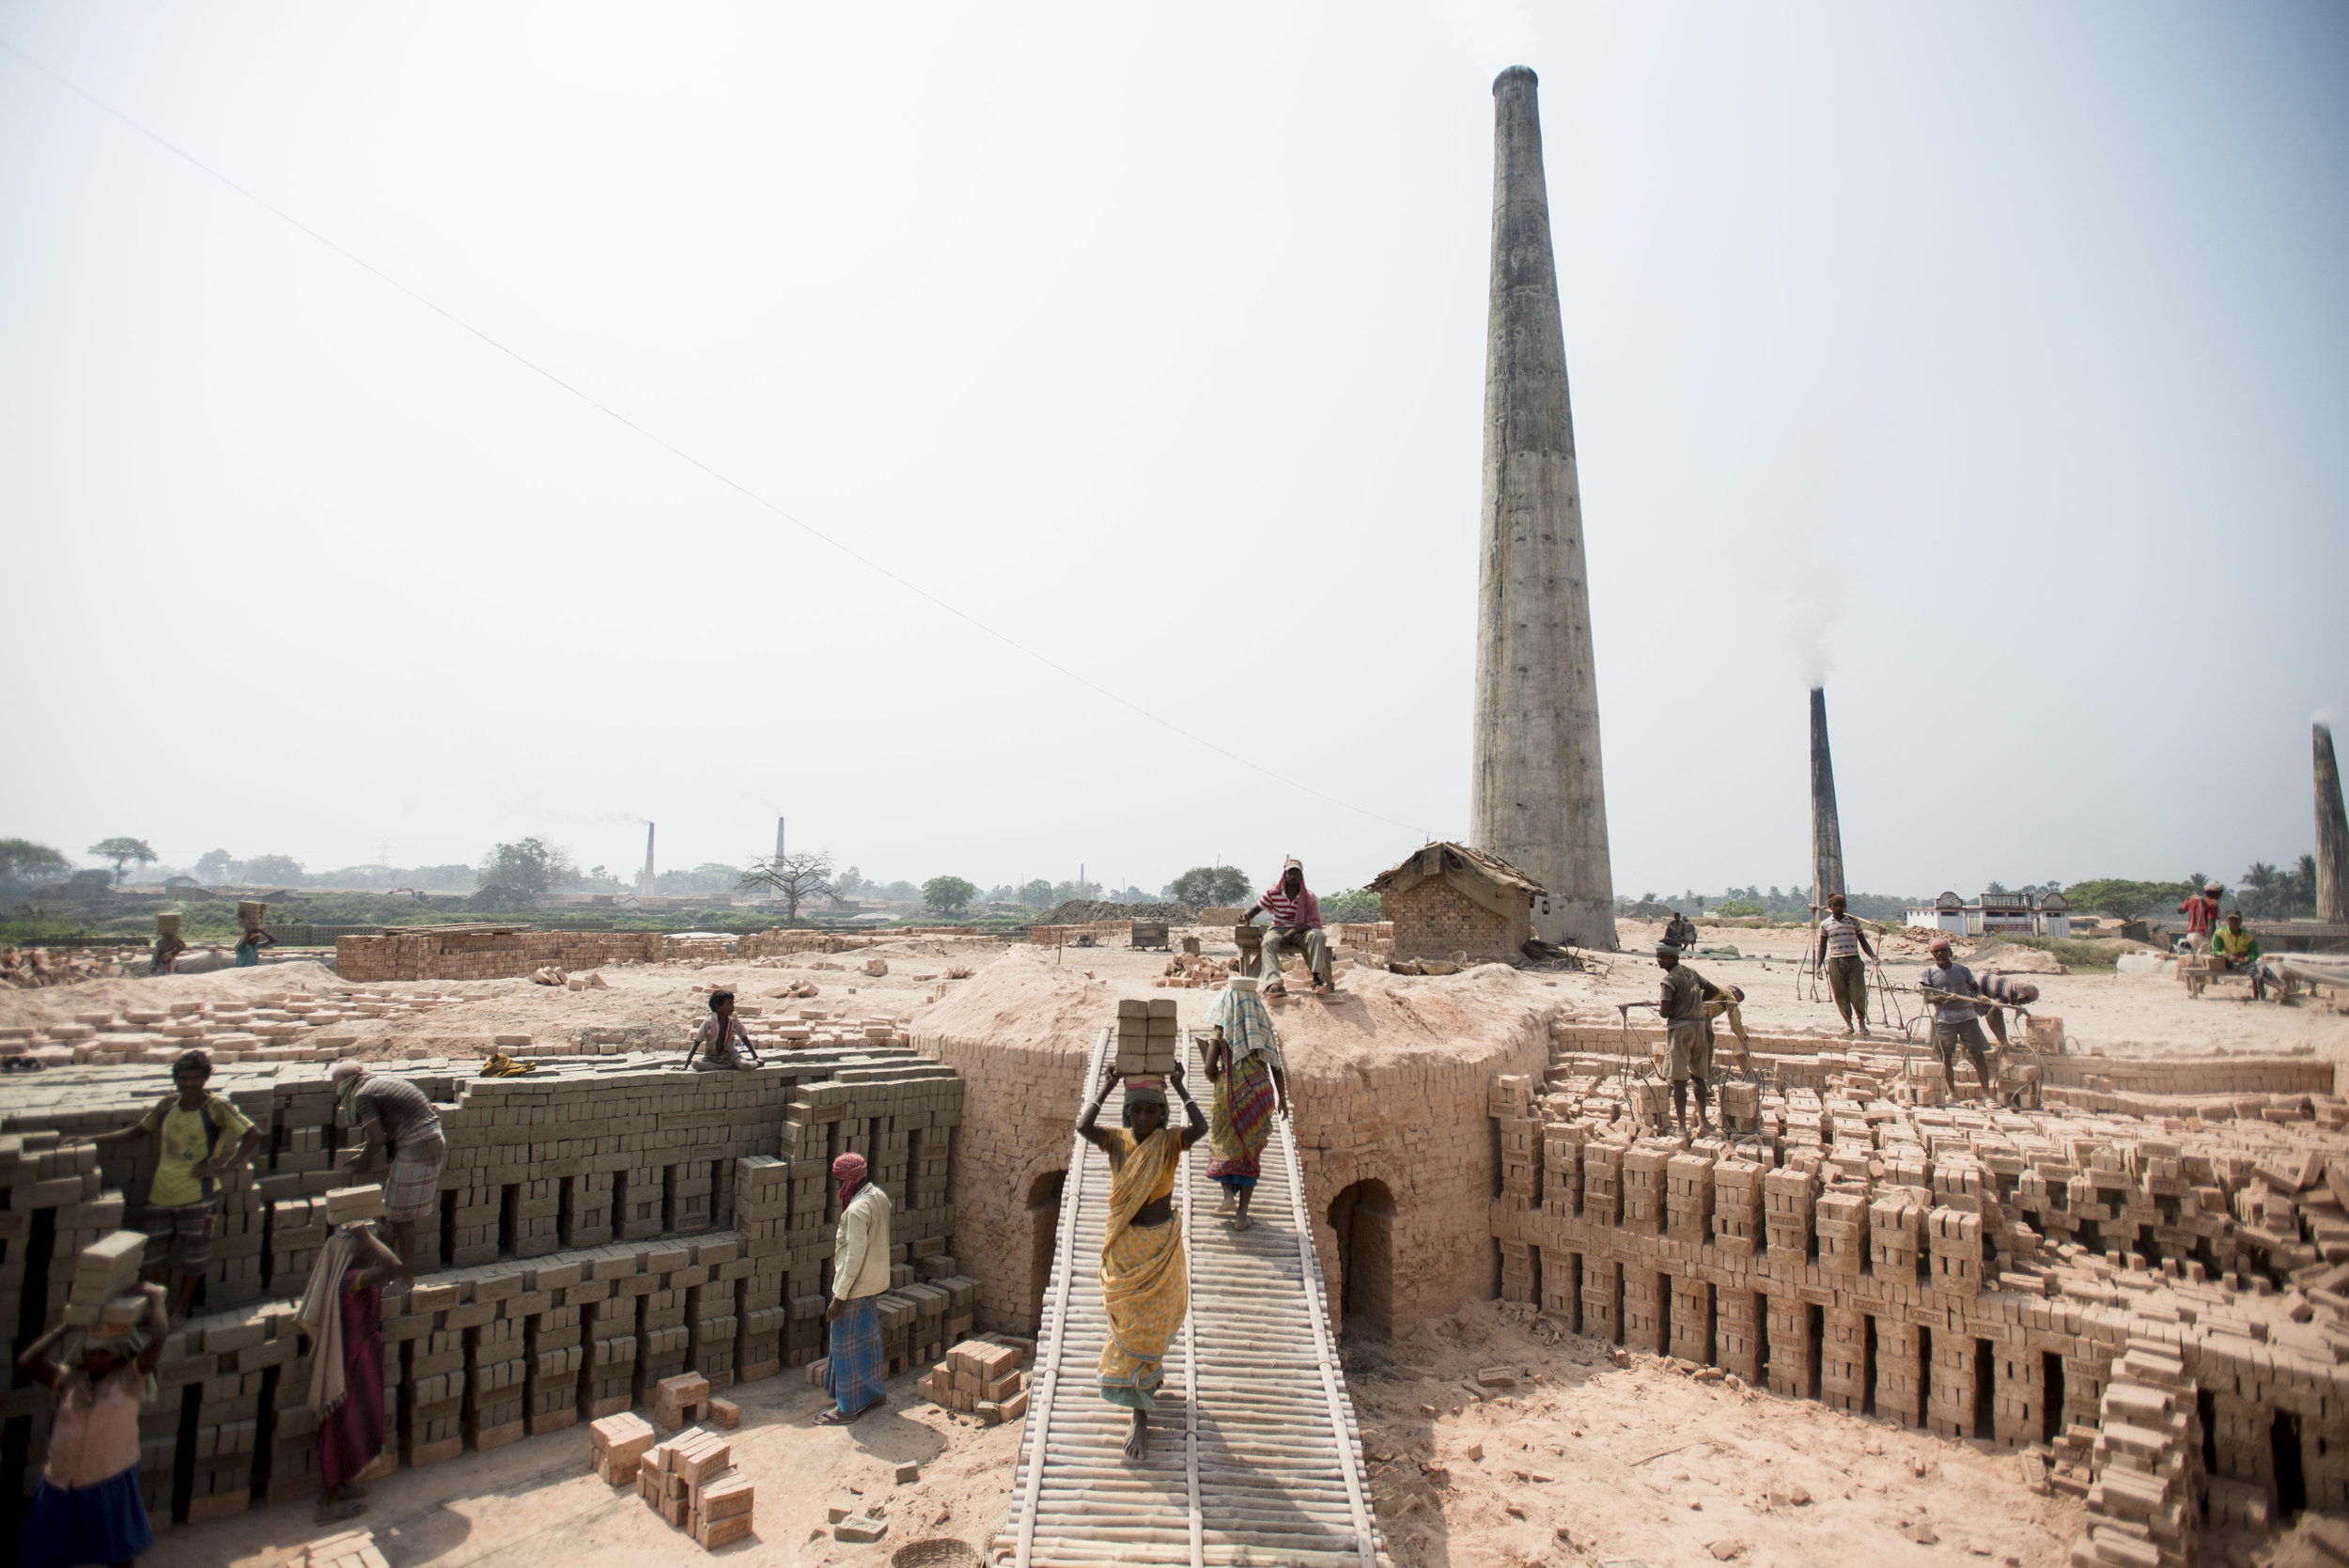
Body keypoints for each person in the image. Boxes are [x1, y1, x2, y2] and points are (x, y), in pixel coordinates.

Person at [1078, 1063, 1206, 1459]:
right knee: (1131, 1330)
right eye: (1138, 1110)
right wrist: (1109, 1084)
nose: (1145, 1117)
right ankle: (1139, 1410)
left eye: (1152, 1110)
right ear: (1127, 1112)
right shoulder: (1116, 1141)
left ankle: (1141, 1408)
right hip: (1127, 1249)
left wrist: (1183, 1088)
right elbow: (1084, 1128)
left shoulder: (1169, 1143)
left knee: (1151, 1328)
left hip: (1160, 1249)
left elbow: (1200, 1130)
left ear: (1163, 1114)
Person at [93, 1050, 261, 1320]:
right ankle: (160, 1306)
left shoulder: (217, 1107)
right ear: (176, 1079)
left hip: (198, 1195)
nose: (189, 1084)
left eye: (195, 1078)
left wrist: (223, 1168)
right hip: (161, 1193)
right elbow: (136, 1131)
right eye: (183, 1079)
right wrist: (91, 1140)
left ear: (205, 1079)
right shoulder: (168, 1105)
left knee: (194, 1257)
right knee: (152, 1258)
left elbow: (253, 1134)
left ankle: (181, 1307)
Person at [16, 1283, 169, 1568]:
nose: (93, 1358)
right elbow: (28, 1361)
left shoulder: (130, 1379)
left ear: (119, 1353)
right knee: (42, 1553)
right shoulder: (71, 1380)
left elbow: (158, 1340)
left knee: (117, 1555)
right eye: (89, 1352)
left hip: (108, 1477)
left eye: (103, 1353)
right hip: (61, 1479)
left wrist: (157, 1301)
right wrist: (65, 1326)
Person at [297, 1221, 404, 1524]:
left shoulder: (345, 1277)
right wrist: (367, 1236)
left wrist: (379, 1236)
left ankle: (339, 1485)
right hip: (351, 1363)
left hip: (359, 1357)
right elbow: (392, 1265)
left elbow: (385, 1261)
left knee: (349, 1426)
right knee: (339, 1428)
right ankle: (327, 1504)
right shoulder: (351, 1280)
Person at [333, 1062, 445, 1280]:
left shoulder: (363, 1095)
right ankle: (385, 1269)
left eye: (337, 1084)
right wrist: (364, 1150)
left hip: (417, 1144)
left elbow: (377, 1139)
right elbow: (388, 1129)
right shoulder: (382, 1083)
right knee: (395, 1214)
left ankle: (405, 1276)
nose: (337, 1090)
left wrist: (365, 1160)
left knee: (402, 1218)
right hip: (428, 1139)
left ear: (348, 1082)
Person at [1201, 976, 1287, 1232]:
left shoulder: (1220, 1030)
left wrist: (1219, 1078)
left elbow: (1208, 1068)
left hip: (1229, 1092)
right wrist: (1281, 1099)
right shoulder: (1262, 1027)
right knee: (1251, 1153)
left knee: (1222, 1142)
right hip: (1259, 1095)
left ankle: (1227, 1193)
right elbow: (1276, 1067)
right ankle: (1242, 1216)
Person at [817, 1152, 892, 1425]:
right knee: (867, 1341)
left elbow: (854, 1256)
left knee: (844, 1344)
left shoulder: (856, 1211)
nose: (838, 1189)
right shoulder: (879, 1197)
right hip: (875, 1283)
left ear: (849, 1181)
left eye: (839, 1182)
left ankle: (847, 1408)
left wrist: (839, 1297)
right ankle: (874, 1394)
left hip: (856, 1288)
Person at [1654, 943, 1726, 1137]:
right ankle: (1703, 1123)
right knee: (1699, 1076)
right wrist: (1696, 1002)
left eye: (1662, 957)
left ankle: (1682, 1127)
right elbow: (1712, 990)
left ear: (1672, 958)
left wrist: (1676, 1006)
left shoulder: (1669, 980)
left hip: (1680, 1031)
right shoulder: (1691, 972)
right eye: (1658, 956)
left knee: (1678, 1080)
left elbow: (1664, 1013)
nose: (1659, 960)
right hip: (1699, 1027)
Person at [1921, 937, 1996, 1103]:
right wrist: (1941, 997)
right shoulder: (1928, 973)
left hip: (1968, 1018)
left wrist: (1981, 997)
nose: (1940, 954)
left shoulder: (1963, 970)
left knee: (1978, 1055)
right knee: (1946, 1057)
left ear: (1950, 952)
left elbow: (1975, 989)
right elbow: (1927, 998)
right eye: (1936, 952)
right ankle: (1952, 1095)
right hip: (1945, 1020)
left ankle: (1986, 1095)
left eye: (1943, 950)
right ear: (1932, 954)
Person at [1243, 859, 1332, 997]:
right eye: (1290, 872)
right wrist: (1246, 915)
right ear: (1284, 875)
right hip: (1278, 929)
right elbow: (1257, 908)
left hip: (1301, 931)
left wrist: (1293, 931)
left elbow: (1314, 922)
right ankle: (1273, 984)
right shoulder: (1273, 893)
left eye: (1296, 873)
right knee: (1267, 942)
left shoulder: (1309, 897)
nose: (1293, 876)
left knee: (1318, 935)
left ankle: (1317, 980)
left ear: (1301, 876)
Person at [1814, 894, 1877, 1037]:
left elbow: (1863, 942)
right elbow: (1822, 947)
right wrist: (1818, 966)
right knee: (1840, 995)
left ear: (1845, 906)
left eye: (1842, 905)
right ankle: (1848, 1023)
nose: (1839, 908)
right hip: (1836, 962)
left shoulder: (1854, 923)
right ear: (1830, 907)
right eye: (1835, 905)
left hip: (1854, 961)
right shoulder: (1825, 925)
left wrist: (1873, 956)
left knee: (1858, 994)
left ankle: (1862, 1022)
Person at [684, 991, 757, 1071]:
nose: (733, 1007)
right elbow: (696, 1042)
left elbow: (744, 1038)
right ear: (718, 1006)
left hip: (731, 1056)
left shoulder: (734, 1021)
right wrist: (685, 1066)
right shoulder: (708, 1023)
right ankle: (728, 1067)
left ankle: (757, 1064)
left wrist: (755, 1057)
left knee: (745, 1065)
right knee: (696, 1064)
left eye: (732, 1004)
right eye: (729, 1004)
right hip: (712, 1058)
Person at [2213, 910, 2266, 999]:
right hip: (2230, 962)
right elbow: (2215, 951)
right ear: (2227, 920)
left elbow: (2254, 953)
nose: (2234, 921)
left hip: (2246, 961)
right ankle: (2266, 992)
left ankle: (2276, 989)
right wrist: (2228, 956)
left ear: (2240, 921)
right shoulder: (2219, 934)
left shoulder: (2247, 935)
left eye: (2236, 919)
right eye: (2231, 919)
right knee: (2256, 971)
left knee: (2263, 968)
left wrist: (2247, 958)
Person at [1703, 980, 1750, 1070]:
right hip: (1700, 1016)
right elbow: (1736, 1023)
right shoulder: (1730, 996)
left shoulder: (1719, 990)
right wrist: (1745, 1039)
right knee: (1708, 1040)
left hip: (1684, 1011)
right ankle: (1705, 1073)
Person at [2176, 881, 2223, 956]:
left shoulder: (2191, 900)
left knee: (2198, 956)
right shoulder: (2213, 904)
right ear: (2215, 892)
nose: (2220, 895)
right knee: (2206, 957)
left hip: (2190, 935)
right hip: (2201, 935)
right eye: (2220, 892)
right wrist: (2211, 942)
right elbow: (2211, 925)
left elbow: (2180, 911)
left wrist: (2187, 900)